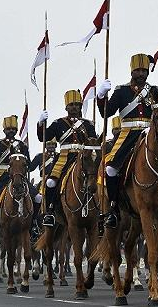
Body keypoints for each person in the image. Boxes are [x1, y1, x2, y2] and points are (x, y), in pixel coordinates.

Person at [96, 53, 158, 228]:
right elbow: (107, 112)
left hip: (152, 134)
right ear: (132, 71)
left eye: (144, 70)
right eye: (138, 70)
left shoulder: (155, 91)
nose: (141, 73)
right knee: (111, 168)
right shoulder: (121, 91)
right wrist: (101, 96)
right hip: (128, 134)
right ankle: (113, 208)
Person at [37, 90, 97, 227]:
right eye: (71, 105)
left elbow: (93, 141)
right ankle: (51, 211)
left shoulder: (88, 124)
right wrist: (41, 124)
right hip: (65, 157)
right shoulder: (58, 123)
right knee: (51, 183)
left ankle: (101, 210)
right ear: (66, 107)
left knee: (97, 178)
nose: (74, 107)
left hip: (84, 157)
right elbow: (43, 137)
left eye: (77, 104)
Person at [0, 115, 42, 238]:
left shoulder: (22, 145)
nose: (11, 131)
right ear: (4, 130)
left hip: (19, 175)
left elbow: (29, 165)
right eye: (8, 129)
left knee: (38, 198)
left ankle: (34, 223)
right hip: (2, 175)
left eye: (13, 129)